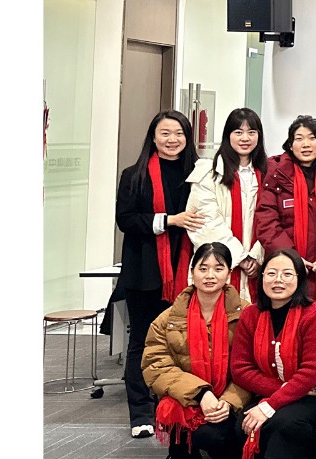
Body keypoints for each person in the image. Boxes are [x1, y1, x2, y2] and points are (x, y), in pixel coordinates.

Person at [117, 110, 202, 438]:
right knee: (142, 341)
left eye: (179, 133)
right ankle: (141, 413)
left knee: (183, 343)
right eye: (165, 133)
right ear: (153, 137)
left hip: (187, 271)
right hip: (144, 272)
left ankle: (176, 406)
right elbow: (126, 219)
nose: (172, 140)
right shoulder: (134, 175)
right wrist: (169, 220)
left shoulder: (199, 173)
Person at [143, 242, 251, 459]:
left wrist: (229, 401)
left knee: (221, 437)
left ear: (229, 273)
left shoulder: (247, 314)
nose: (210, 275)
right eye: (203, 268)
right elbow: (156, 366)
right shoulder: (168, 319)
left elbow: (253, 365)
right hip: (186, 397)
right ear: (192, 272)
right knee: (194, 432)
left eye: (218, 268)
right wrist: (200, 393)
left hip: (231, 398)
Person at [231, 249, 316, 458]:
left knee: (283, 424)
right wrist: (278, 391)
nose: (278, 280)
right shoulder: (251, 314)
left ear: (300, 278)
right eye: (271, 273)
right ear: (262, 277)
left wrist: (271, 405)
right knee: (242, 427)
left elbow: (311, 372)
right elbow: (240, 368)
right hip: (271, 392)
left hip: (313, 395)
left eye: (287, 274)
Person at [257, 115, 316, 310]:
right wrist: (291, 258)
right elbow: (267, 221)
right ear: (290, 145)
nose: (306, 144)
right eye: (299, 139)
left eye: (312, 138)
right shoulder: (275, 173)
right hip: (284, 267)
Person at [186, 108, 268, 303]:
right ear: (227, 135)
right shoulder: (209, 173)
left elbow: (272, 220)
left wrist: (257, 256)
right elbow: (206, 222)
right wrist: (241, 258)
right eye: (238, 132)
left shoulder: (268, 173)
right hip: (219, 264)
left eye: (251, 132)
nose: (245, 138)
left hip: (260, 265)